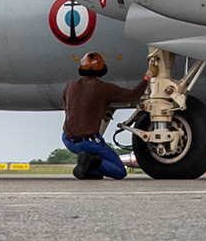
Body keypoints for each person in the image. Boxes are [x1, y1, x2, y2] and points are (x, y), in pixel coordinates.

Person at [61, 52, 149, 180]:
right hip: (89, 142)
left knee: (96, 175)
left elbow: (70, 109)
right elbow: (134, 95)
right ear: (102, 70)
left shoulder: (70, 86)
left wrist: (100, 112)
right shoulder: (104, 89)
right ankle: (90, 161)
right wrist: (148, 77)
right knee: (120, 171)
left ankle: (88, 168)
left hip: (68, 140)